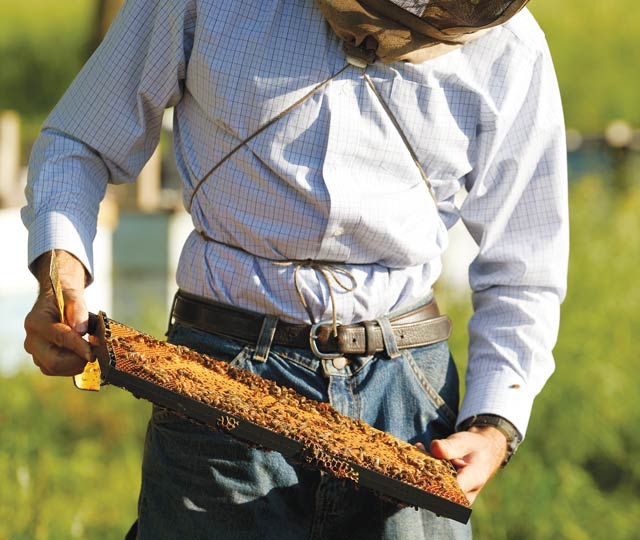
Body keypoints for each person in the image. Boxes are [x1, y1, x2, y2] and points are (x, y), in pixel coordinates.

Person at [22, 0, 568, 538]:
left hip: (406, 398)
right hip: (221, 372)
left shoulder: (510, 43)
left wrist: (494, 424)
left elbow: (527, 268)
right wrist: (61, 270)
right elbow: (79, 143)